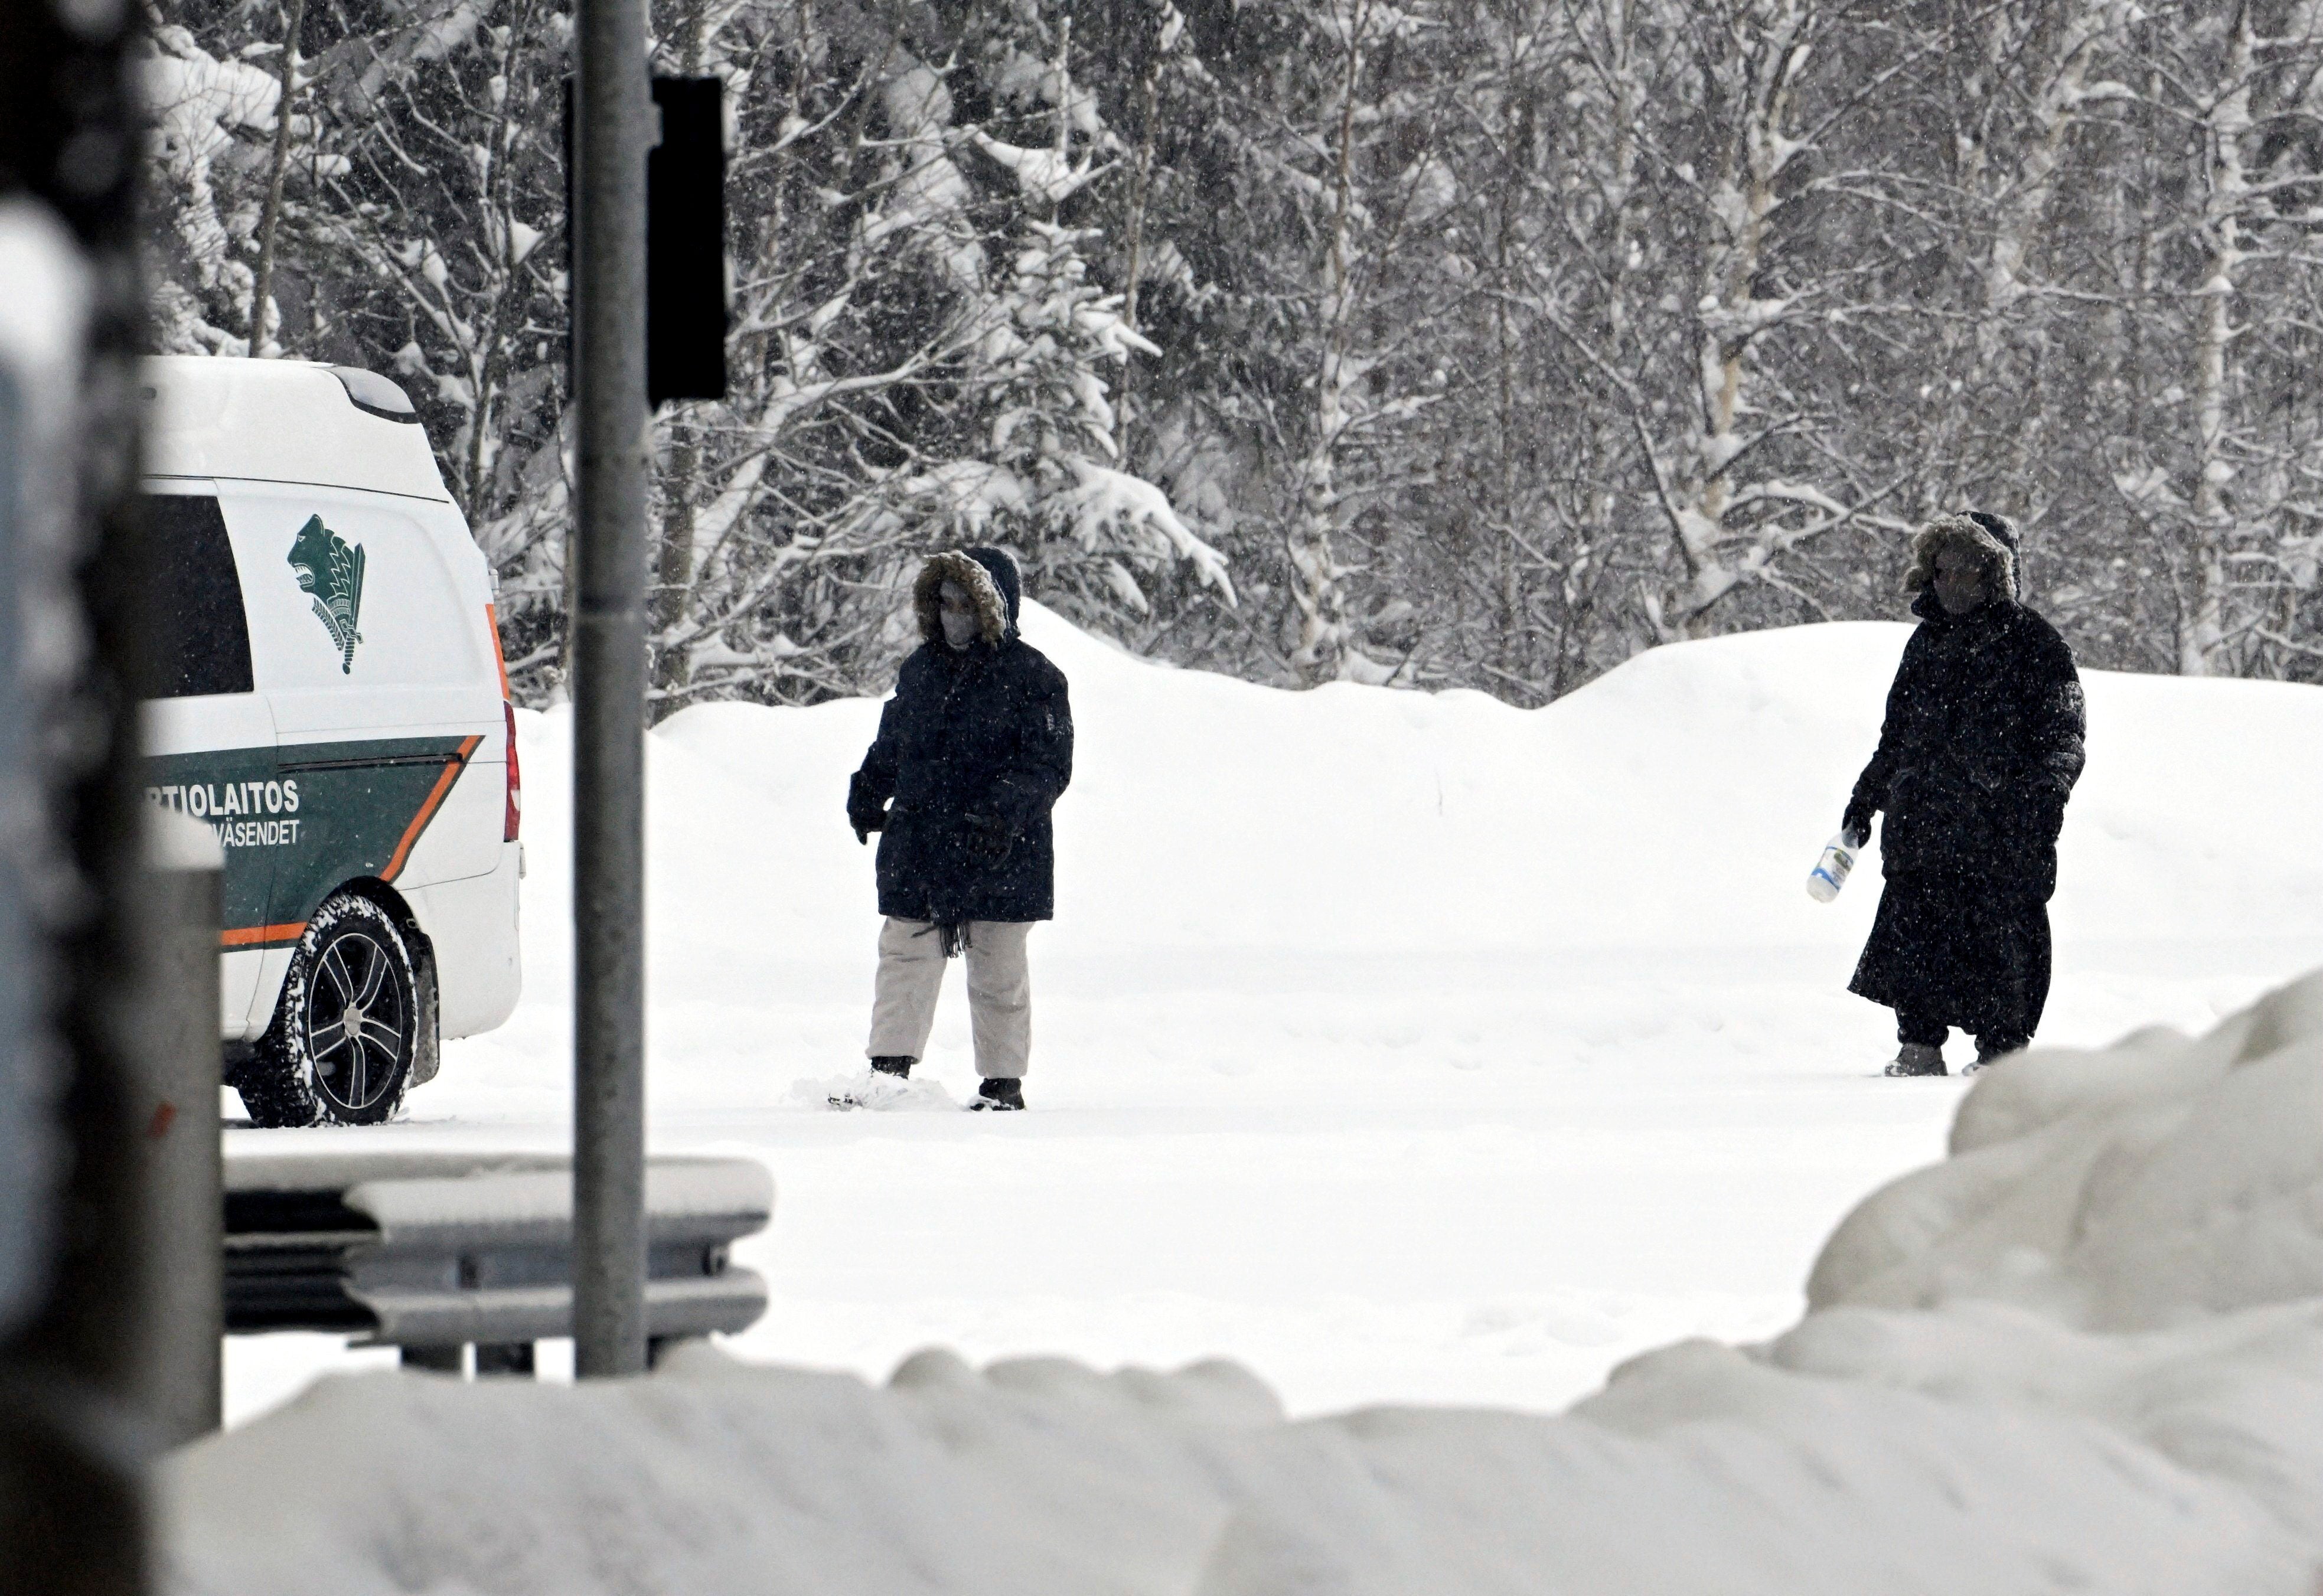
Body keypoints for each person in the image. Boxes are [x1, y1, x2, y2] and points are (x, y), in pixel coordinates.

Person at [1841, 511, 2086, 1078]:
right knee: (1916, 935)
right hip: (1922, 828)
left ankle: (2002, 1056)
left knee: (2003, 945)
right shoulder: (1924, 645)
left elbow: (2064, 738)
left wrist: (2041, 801)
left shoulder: (2037, 645)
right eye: (1942, 570)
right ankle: (1918, 1047)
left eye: (1966, 571)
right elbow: (1897, 737)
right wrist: (1867, 797)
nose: (1951, 583)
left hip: (2003, 833)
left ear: (1996, 574)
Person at [840, 546, 1073, 1110]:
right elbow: (894, 742)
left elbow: (1048, 765)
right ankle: (887, 1071)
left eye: (966, 605)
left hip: (1001, 850)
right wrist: (868, 788)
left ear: (994, 607)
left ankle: (1002, 1086)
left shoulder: (1035, 677)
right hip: (921, 843)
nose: (952, 616)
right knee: (904, 954)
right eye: (944, 603)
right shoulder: (921, 670)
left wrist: (1002, 812)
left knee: (998, 968)